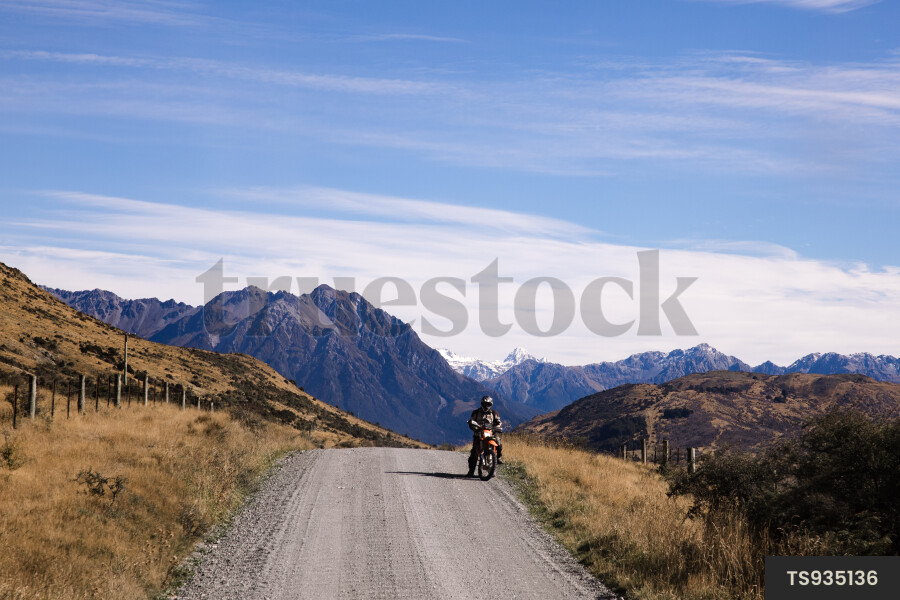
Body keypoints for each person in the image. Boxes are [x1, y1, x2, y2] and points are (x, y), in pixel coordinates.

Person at [467, 395, 503, 476]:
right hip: (478, 434)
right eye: (485, 404)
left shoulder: (494, 413)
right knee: (474, 453)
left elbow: (499, 422)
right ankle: (471, 471)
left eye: (488, 404)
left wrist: (497, 428)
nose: (486, 406)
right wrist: (474, 428)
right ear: (481, 404)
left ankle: (498, 457)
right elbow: (471, 422)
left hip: (490, 433)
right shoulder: (476, 412)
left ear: (491, 404)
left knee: (498, 442)